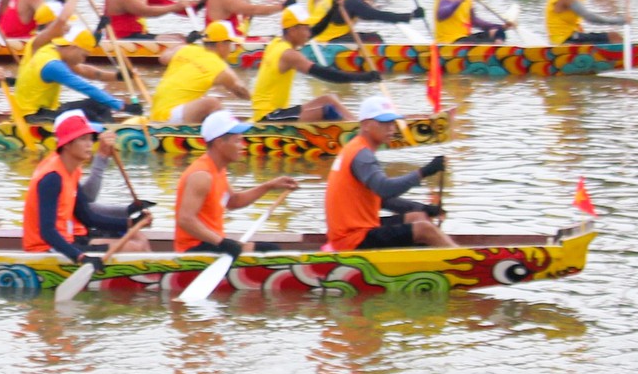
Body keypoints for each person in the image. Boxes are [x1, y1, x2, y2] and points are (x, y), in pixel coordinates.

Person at [19, 110, 153, 262]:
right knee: (135, 248)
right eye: (83, 139)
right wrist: (80, 258)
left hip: (69, 240)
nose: (90, 145)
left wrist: (131, 222)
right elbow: (47, 231)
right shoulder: (52, 178)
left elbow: (87, 216)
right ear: (67, 144)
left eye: (90, 139)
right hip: (45, 249)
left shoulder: (72, 171)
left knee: (139, 236)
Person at [323, 98, 453, 250]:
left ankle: (430, 261)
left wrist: (423, 208)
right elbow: (385, 188)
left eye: (392, 122)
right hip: (352, 240)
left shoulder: (357, 149)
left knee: (418, 216)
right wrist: (424, 172)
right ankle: (466, 260)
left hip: (357, 230)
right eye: (384, 123)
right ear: (366, 125)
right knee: (425, 229)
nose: (391, 128)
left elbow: (382, 199)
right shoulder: (361, 155)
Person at [171, 111, 297, 259]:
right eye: (237, 141)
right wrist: (222, 242)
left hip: (213, 244)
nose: (242, 146)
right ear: (219, 143)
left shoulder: (218, 169)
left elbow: (233, 201)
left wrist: (269, 186)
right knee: (271, 252)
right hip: (194, 250)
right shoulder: (202, 176)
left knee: (270, 250)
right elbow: (185, 219)